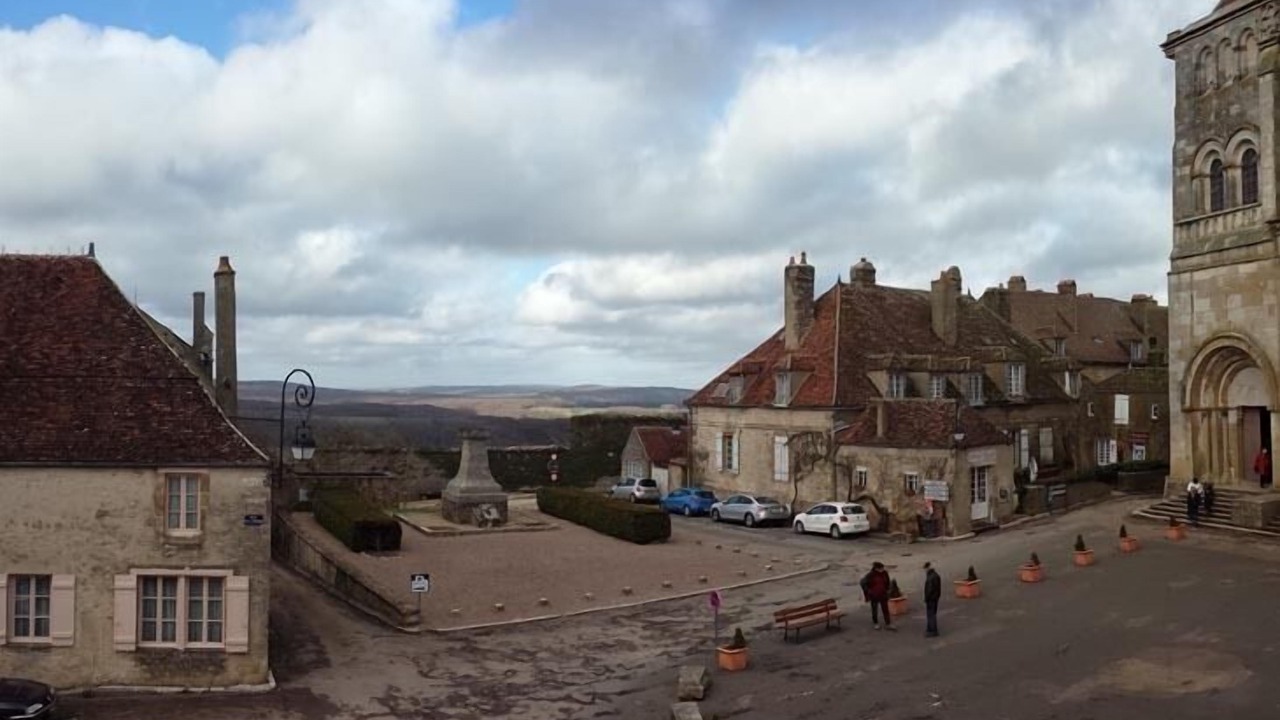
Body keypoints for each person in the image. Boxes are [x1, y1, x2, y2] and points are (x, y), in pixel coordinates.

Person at [860, 561, 896, 631]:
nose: (882, 569)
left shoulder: (885, 573)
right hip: (874, 595)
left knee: (885, 609)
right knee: (874, 610)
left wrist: (887, 590)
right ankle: (875, 623)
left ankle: (888, 623)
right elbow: (863, 582)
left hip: (883, 594)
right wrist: (868, 591)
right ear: (876, 568)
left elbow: (887, 582)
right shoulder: (870, 575)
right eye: (881, 568)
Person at [923, 562, 941, 638]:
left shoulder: (931, 577)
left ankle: (933, 631)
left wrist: (926, 598)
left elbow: (929, 590)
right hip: (935, 598)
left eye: (925, 569)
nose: (924, 571)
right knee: (932, 614)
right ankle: (930, 629)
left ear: (927, 568)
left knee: (931, 615)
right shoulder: (935, 575)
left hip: (931, 599)